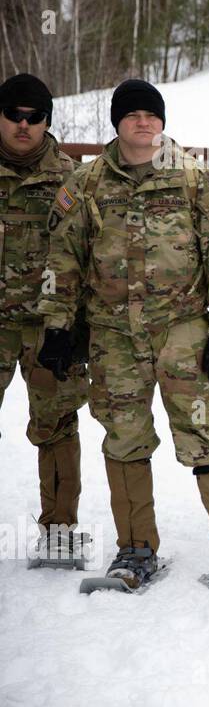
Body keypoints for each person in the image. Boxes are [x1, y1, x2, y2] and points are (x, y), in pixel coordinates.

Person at [38, 79, 209, 593]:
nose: (142, 122)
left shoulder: (193, 179)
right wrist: (58, 325)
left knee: (207, 437)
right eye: (132, 115)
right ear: (118, 123)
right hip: (113, 336)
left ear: (161, 122)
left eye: (151, 114)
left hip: (184, 333)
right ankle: (136, 549)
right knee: (124, 439)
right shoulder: (86, 184)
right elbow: (63, 261)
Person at [0, 73, 89, 560]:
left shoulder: (70, 179)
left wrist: (76, 327)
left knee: (57, 424)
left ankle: (59, 527)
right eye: (14, 115)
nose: (23, 125)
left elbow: (84, 253)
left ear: (47, 122)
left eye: (34, 118)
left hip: (46, 325)